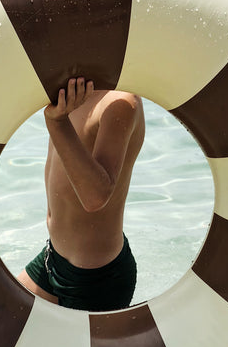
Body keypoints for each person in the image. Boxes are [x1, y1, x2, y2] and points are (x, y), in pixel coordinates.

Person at [17, 77, 145, 311]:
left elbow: (95, 198)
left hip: (96, 280)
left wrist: (57, 122)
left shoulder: (120, 102)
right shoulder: (71, 90)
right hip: (52, 257)